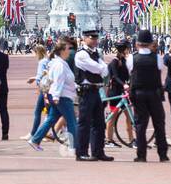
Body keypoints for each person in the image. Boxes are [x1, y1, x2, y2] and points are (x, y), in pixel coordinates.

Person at [126, 30, 169, 162]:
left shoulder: (132, 58)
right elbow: (160, 70)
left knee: (140, 125)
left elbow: (130, 72)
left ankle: (141, 155)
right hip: (154, 93)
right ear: (151, 44)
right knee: (159, 124)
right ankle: (162, 154)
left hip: (138, 94)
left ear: (137, 44)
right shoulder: (157, 58)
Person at [29, 40, 79, 151]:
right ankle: (74, 146)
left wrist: (75, 86)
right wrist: (56, 97)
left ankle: (35, 139)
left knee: (52, 118)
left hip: (60, 95)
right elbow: (58, 81)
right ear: (62, 51)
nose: (69, 52)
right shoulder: (60, 65)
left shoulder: (59, 63)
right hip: (62, 96)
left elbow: (65, 80)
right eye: (67, 49)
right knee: (71, 121)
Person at [73, 30, 112, 161]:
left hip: (96, 90)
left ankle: (98, 151)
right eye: (92, 38)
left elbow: (105, 70)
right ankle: (81, 152)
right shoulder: (82, 54)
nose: (95, 40)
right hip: (86, 91)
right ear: (84, 39)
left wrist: (102, 68)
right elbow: (97, 68)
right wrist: (101, 68)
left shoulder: (95, 53)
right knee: (84, 123)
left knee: (99, 123)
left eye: (96, 38)